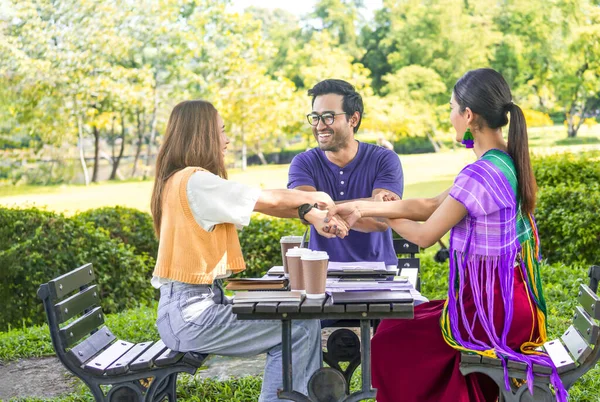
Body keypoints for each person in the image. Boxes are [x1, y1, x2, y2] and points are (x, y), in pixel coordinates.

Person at [326, 69, 566, 402]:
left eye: (451, 107)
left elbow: (424, 235)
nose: (449, 116)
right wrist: (363, 207)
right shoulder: (503, 159)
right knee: (395, 326)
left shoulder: (482, 173)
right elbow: (429, 205)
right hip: (504, 300)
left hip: (492, 309)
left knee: (388, 340)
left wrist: (382, 217)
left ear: (468, 116)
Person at [150, 100, 349, 402]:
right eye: (222, 132)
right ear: (202, 135)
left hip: (192, 307)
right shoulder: (195, 181)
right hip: (190, 315)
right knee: (297, 327)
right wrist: (314, 198)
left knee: (298, 321)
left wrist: (307, 212)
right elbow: (263, 199)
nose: (227, 140)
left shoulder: (181, 180)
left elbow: (257, 204)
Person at [287, 79, 404, 268]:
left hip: (379, 273)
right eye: (315, 117)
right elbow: (302, 209)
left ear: (353, 119)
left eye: (329, 116)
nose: (319, 125)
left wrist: (319, 209)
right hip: (322, 275)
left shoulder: (384, 160)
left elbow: (381, 218)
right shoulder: (304, 162)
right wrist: (367, 205)